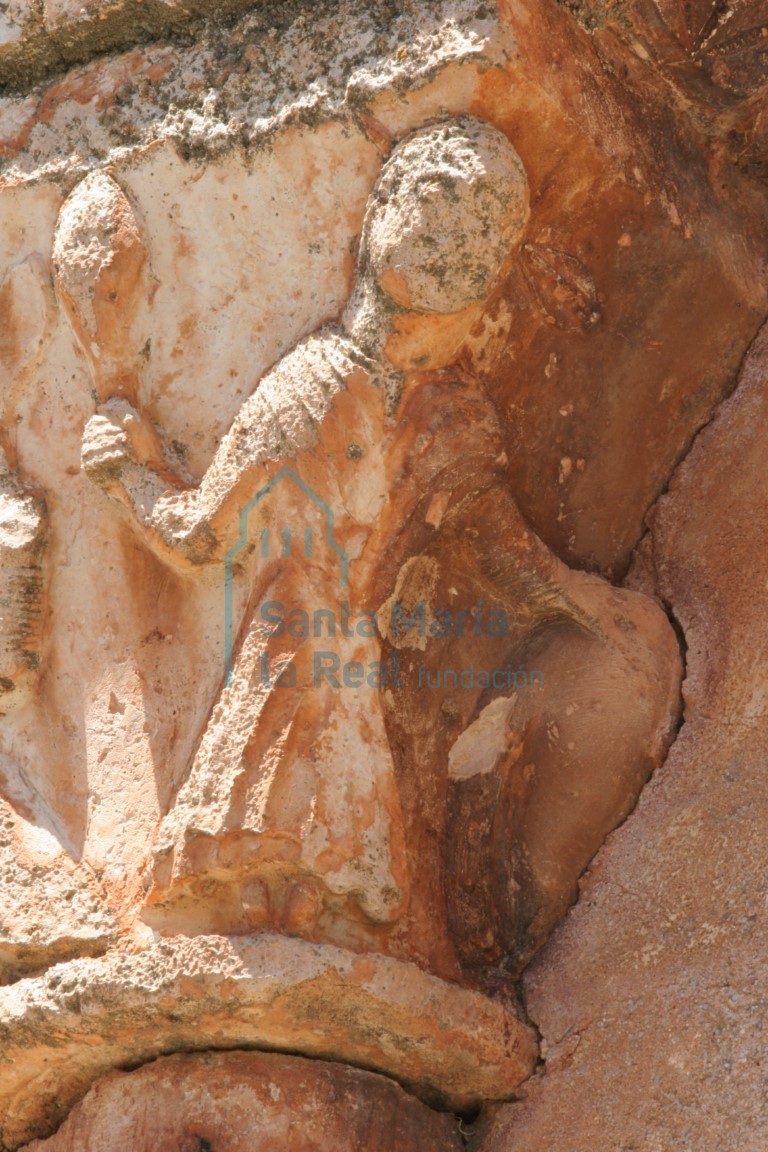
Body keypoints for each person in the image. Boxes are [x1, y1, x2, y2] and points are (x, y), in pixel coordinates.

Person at [81, 117, 680, 972]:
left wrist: (583, 601)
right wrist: (127, 478)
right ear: (378, 209)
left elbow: (498, 545)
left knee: (327, 845)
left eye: (490, 229)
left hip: (350, 656)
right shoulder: (307, 387)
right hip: (295, 638)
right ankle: (260, 946)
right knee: (262, 824)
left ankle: (306, 946)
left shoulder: (455, 413)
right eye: (441, 200)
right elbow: (202, 535)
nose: (459, 240)